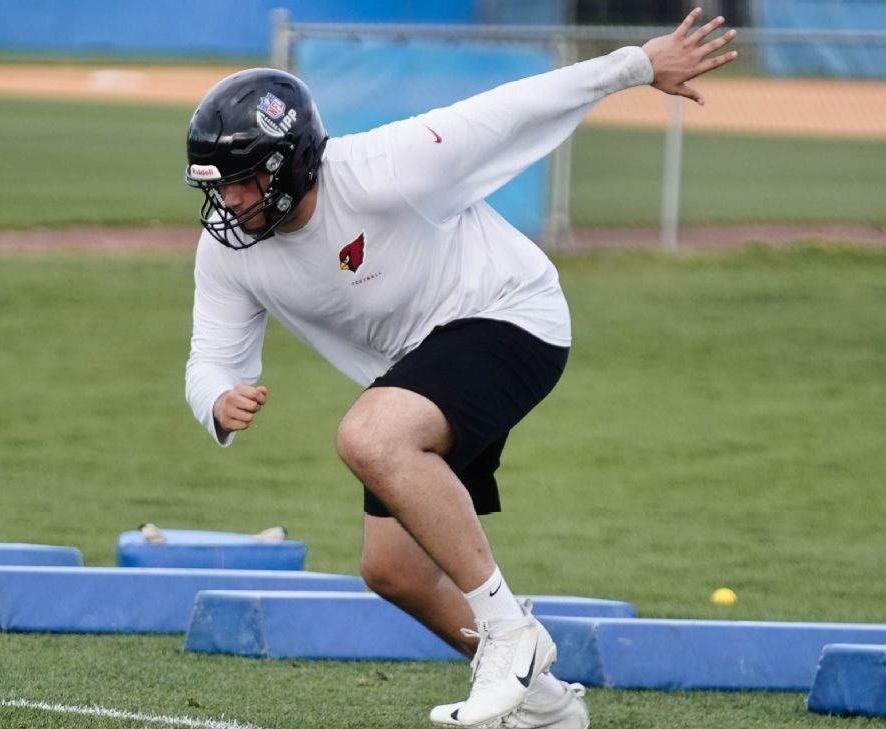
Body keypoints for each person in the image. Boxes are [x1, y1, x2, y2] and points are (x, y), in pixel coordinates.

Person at [183, 9, 737, 728]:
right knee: (393, 570)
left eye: (241, 182)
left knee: (369, 437)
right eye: (216, 186)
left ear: (289, 164)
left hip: (511, 314)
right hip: (422, 364)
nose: (227, 202)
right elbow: (212, 358)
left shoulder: (385, 169)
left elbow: (509, 110)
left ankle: (512, 637)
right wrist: (217, 397)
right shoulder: (228, 250)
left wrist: (635, 64)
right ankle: (545, 703)